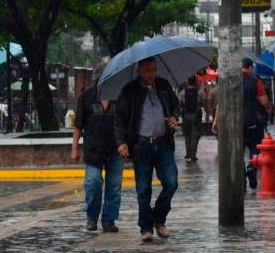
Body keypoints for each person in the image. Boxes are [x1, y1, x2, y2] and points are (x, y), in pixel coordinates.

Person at [113, 57, 180, 242]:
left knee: (172, 182)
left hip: (164, 143)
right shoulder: (129, 91)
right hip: (141, 146)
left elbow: (175, 105)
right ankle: (146, 227)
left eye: (154, 70)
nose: (152, 74)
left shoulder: (164, 86)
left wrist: (175, 116)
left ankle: (159, 218)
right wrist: (121, 142)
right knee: (143, 189)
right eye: (148, 70)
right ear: (139, 71)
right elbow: (119, 119)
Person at [70, 66, 121, 233]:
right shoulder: (87, 96)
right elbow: (78, 125)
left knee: (114, 186)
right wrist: (74, 148)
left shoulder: (119, 96)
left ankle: (109, 220)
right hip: (93, 150)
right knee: (93, 182)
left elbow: (126, 121)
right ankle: (92, 217)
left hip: (115, 148)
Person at [210, 57, 274, 189]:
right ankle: (251, 167)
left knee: (237, 152)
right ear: (250, 68)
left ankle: (242, 180)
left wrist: (216, 121)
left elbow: (221, 104)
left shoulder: (229, 82)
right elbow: (263, 101)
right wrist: (267, 103)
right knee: (255, 148)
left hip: (234, 123)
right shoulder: (255, 81)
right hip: (252, 122)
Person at [179, 76, 201, 162]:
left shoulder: (183, 92)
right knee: (195, 135)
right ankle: (193, 154)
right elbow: (202, 102)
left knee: (187, 134)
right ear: (195, 81)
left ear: (188, 82)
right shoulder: (199, 92)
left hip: (186, 115)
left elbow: (179, 103)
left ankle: (188, 153)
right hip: (196, 115)